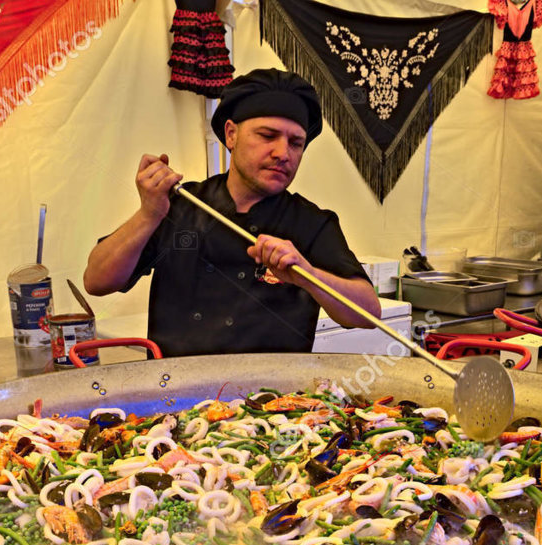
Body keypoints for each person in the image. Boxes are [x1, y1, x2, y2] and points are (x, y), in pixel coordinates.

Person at [83, 68, 379, 357]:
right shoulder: (181, 205)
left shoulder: (312, 224)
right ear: (231, 133)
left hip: (273, 401)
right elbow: (97, 281)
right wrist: (148, 214)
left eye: (295, 143)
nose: (282, 153)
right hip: (176, 394)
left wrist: (308, 275)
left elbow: (368, 313)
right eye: (267, 135)